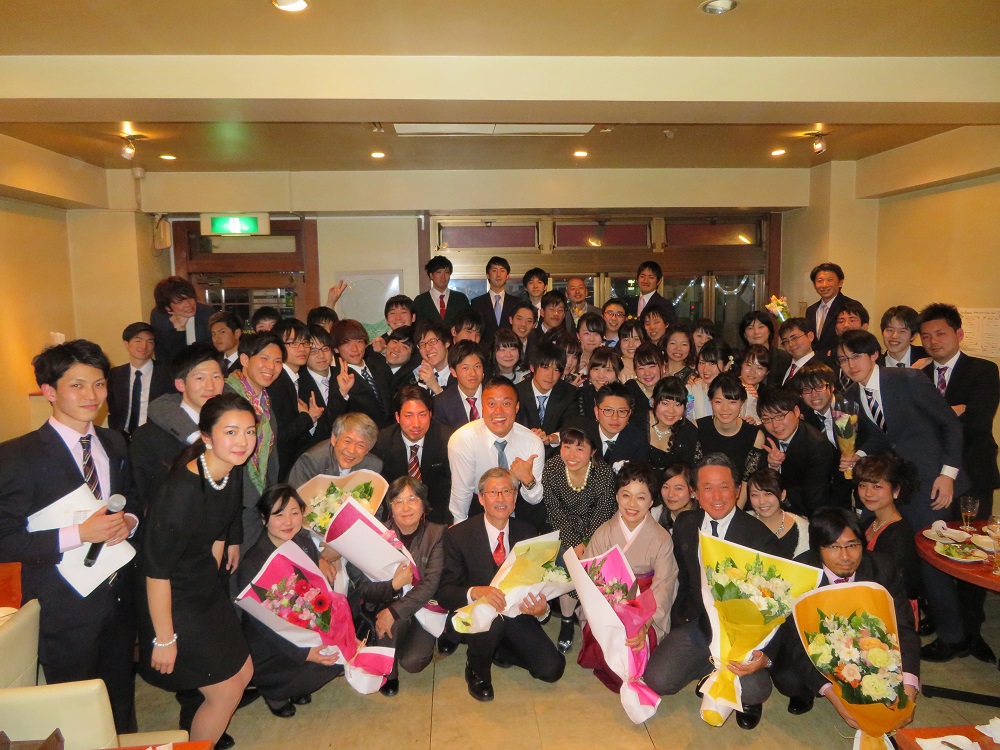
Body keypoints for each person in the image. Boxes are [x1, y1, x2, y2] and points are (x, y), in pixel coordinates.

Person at [0, 340, 140, 733]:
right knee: (75, 711)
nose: (92, 395)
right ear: (49, 391)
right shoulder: (16, 456)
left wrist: (129, 521)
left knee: (119, 697)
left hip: (118, 591)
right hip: (63, 603)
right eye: (77, 385)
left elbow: (131, 497)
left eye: (99, 384)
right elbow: (4, 540)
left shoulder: (114, 441)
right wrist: (78, 533)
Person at [836, 329, 970, 663]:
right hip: (899, 483)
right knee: (908, 555)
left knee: (933, 558)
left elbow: (950, 424)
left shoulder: (908, 380)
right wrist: (857, 454)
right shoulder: (852, 393)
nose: (850, 365)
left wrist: (947, 474)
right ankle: (924, 617)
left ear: (874, 355)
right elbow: (884, 438)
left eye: (856, 356)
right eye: (843, 359)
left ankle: (954, 637)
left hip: (933, 482)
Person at [139, 392, 256, 746]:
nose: (243, 442)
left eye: (249, 432)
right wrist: (164, 638)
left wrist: (214, 585)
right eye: (231, 432)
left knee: (243, 672)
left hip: (203, 587)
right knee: (223, 691)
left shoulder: (232, 471)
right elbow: (156, 572)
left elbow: (219, 530)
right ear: (206, 436)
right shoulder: (179, 492)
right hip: (171, 596)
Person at [642, 453, 780, 730]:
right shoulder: (686, 524)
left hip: (742, 639)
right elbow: (683, 579)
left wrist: (766, 656)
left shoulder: (760, 538)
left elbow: (780, 607)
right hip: (700, 624)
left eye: (724, 487)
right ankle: (711, 669)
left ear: (737, 490)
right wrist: (674, 625)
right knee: (658, 679)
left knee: (755, 690)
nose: (716, 496)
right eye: (707, 487)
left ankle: (729, 681)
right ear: (695, 491)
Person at [757, 508, 919, 723]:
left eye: (852, 545)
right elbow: (795, 640)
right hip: (816, 643)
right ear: (817, 548)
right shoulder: (801, 573)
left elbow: (903, 627)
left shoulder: (882, 568)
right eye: (834, 547)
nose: (845, 557)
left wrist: (909, 686)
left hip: (867, 642)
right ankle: (813, 690)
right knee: (789, 680)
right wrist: (832, 694)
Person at [437, 468, 565, 701]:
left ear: (515, 498)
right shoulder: (458, 536)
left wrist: (542, 611)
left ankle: (499, 650)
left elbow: (539, 585)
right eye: (493, 492)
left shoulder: (528, 532)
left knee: (552, 670)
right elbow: (445, 593)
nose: (500, 498)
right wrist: (476, 592)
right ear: (481, 498)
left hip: (515, 613)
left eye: (507, 491)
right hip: (474, 614)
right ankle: (477, 668)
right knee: (492, 623)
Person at [918, 302, 999, 663]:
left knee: (972, 551)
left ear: (959, 334)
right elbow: (916, 426)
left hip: (973, 476)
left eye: (940, 333)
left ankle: (972, 631)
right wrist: (955, 410)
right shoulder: (919, 376)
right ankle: (943, 622)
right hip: (932, 477)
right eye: (926, 336)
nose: (933, 341)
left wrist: (942, 417)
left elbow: (978, 421)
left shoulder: (983, 370)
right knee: (935, 549)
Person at [238, 485, 344, 716]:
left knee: (339, 656)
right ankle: (274, 692)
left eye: (294, 513)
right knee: (319, 664)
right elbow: (261, 625)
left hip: (302, 627)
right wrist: (303, 654)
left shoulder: (305, 545)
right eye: (279, 515)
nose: (288, 522)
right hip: (270, 644)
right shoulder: (253, 563)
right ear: (264, 519)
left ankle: (296, 684)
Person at [579, 462, 679, 691]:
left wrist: (644, 624)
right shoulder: (604, 533)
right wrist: (610, 612)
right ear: (617, 497)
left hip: (645, 607)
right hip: (609, 605)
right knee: (612, 649)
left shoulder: (661, 538)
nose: (632, 504)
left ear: (651, 502)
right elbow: (590, 579)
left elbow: (664, 585)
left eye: (641, 497)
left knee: (636, 648)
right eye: (626, 495)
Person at [347, 477, 443, 697]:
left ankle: (401, 642)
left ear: (423, 504)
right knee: (388, 623)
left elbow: (431, 584)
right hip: (385, 604)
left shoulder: (436, 534)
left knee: (413, 662)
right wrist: (393, 586)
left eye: (412, 499)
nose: (406, 507)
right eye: (398, 501)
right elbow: (364, 589)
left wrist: (395, 610)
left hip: (423, 608)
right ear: (390, 507)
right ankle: (389, 673)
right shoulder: (376, 536)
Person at [541, 427, 617, 651]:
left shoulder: (603, 473)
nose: (571, 455)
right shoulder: (553, 468)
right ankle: (566, 620)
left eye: (580, 449)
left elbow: (604, 512)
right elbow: (554, 510)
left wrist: (586, 543)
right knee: (567, 562)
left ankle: (590, 619)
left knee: (593, 563)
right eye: (566, 447)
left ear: (592, 451)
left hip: (598, 529)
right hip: (563, 528)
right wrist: (574, 543)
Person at [131, 343, 226, 515]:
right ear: (181, 384)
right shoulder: (148, 436)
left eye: (216, 377)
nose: (210, 386)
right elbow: (141, 496)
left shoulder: (229, 431)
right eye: (200, 378)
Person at [447, 377, 546, 529]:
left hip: (519, 506)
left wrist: (527, 479)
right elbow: (462, 493)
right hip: (479, 506)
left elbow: (535, 499)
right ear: (482, 407)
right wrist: (459, 530)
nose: (498, 412)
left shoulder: (532, 442)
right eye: (492, 404)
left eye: (506, 404)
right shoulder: (463, 439)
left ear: (517, 407)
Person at [226, 333, 283, 551]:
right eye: (264, 358)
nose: (271, 367)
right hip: (235, 503)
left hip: (258, 502)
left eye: (278, 361)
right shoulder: (226, 395)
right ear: (245, 359)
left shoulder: (264, 401)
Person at [371, 386, 455, 525]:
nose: (416, 424)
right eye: (409, 416)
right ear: (397, 417)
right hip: (396, 518)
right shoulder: (382, 443)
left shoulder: (448, 440)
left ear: (430, 414)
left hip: (438, 517)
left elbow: (450, 490)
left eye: (422, 415)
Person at [756, 385, 838, 517]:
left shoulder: (817, 446)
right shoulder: (761, 436)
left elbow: (815, 499)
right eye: (767, 419)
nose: (775, 425)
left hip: (803, 514)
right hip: (765, 510)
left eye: (780, 416)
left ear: (797, 411)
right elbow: (754, 482)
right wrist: (772, 467)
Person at [854, 452, 921, 610]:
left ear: (896, 490)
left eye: (877, 486)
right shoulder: (870, 522)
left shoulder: (899, 535)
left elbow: (900, 588)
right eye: (863, 485)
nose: (868, 493)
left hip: (891, 608)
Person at [692, 373, 765, 498]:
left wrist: (735, 510)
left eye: (732, 402)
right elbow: (694, 475)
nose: (725, 408)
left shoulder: (755, 436)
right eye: (718, 402)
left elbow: (746, 483)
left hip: (738, 500)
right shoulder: (697, 428)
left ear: (742, 403)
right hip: (702, 498)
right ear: (710, 401)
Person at [271, 319, 325, 481]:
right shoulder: (276, 382)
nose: (302, 349)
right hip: (279, 469)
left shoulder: (296, 379)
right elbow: (278, 435)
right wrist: (307, 418)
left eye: (305, 342)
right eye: (293, 343)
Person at [107, 321, 174, 435]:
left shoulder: (167, 373)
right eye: (138, 340)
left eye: (150, 341)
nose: (144, 346)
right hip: (123, 437)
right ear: (126, 344)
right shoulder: (115, 374)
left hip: (155, 436)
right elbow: (113, 410)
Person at [287, 412, 384, 488]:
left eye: (360, 445)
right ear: (334, 439)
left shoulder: (372, 466)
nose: (351, 450)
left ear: (368, 449)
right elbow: (296, 502)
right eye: (347, 441)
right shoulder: (312, 461)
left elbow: (373, 505)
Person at [516, 342, 579, 455]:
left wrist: (551, 438)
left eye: (556, 370)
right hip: (522, 453)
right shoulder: (517, 393)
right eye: (545, 368)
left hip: (557, 456)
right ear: (532, 367)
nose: (550, 375)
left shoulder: (569, 393)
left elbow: (571, 427)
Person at [332, 318, 394, 429]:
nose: (355, 349)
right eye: (347, 343)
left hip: (392, 431)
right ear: (336, 349)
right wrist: (342, 393)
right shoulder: (336, 378)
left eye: (359, 342)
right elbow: (335, 419)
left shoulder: (379, 365)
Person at [149, 275, 215, 364]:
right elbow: (162, 355)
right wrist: (179, 330)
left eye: (190, 298)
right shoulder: (159, 318)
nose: (188, 304)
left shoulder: (208, 314)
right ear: (167, 308)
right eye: (180, 302)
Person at [746, 468, 809, 557]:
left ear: (782, 495)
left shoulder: (803, 530)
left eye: (768, 494)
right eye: (755, 495)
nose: (762, 501)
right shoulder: (741, 523)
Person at [805, 262, 860, 360]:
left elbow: (856, 338)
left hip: (840, 361)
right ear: (814, 285)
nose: (824, 285)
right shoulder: (811, 310)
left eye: (829, 280)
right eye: (820, 281)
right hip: (816, 363)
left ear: (840, 282)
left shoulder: (851, 306)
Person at [586, 382, 649, 466]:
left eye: (622, 411)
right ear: (596, 412)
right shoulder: (583, 435)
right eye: (608, 410)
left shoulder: (637, 440)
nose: (615, 417)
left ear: (629, 413)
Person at [647, 377, 698, 475]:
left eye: (678, 404)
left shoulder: (689, 432)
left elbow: (687, 472)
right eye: (665, 403)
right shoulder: (637, 423)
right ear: (653, 402)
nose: (671, 411)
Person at [470, 256, 521, 347]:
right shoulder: (477, 303)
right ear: (488, 275)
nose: (498, 275)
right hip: (484, 351)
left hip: (509, 350)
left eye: (502, 270)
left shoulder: (517, 303)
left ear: (507, 276)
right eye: (494, 270)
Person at [432, 340, 485, 429]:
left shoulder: (497, 393)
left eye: (477, 366)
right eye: (465, 368)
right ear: (453, 372)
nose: (473, 373)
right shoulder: (442, 404)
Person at [414, 255, 471, 329]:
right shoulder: (420, 301)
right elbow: (417, 329)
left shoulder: (461, 299)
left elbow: (468, 325)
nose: (443, 276)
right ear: (431, 275)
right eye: (439, 272)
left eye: (446, 272)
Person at [686, 338, 735, 421]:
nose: (705, 369)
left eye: (712, 363)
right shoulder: (691, 390)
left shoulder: (741, 392)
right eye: (702, 362)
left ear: (727, 365)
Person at [739, 310, 791, 387]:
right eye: (750, 328)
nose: (756, 332)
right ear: (744, 334)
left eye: (761, 327)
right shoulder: (738, 358)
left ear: (769, 330)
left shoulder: (785, 358)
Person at [576, 346, 622, 420]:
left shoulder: (626, 397)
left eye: (608, 370)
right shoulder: (579, 395)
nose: (601, 376)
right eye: (596, 369)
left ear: (618, 373)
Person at [412, 319, 452, 395]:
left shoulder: (460, 374)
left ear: (447, 342)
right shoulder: (416, 373)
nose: (427, 349)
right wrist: (422, 383)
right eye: (422, 344)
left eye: (432, 341)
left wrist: (435, 387)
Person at [655, 463, 696, 533]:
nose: (670, 494)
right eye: (665, 487)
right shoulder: (656, 514)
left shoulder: (705, 518)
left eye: (678, 488)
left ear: (693, 491)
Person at [777, 317, 817, 385]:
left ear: (810, 336)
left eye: (794, 338)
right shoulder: (781, 365)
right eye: (785, 341)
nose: (790, 344)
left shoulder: (822, 368)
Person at [626, 342, 663, 415]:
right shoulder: (629, 390)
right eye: (641, 368)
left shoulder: (671, 389)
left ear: (663, 367)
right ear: (635, 370)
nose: (647, 373)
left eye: (652, 367)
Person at [737, 344, 769, 423]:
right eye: (748, 365)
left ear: (767, 372)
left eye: (759, 368)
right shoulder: (728, 386)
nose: (752, 372)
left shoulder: (766, 394)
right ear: (741, 365)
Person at [507, 301, 537, 369]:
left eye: (529, 321)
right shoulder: (500, 345)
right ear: (511, 320)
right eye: (519, 319)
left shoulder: (538, 348)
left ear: (534, 325)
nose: (523, 324)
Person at [576, 312, 606, 376]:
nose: (591, 339)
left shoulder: (608, 360)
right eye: (586, 333)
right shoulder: (569, 359)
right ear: (578, 335)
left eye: (596, 334)